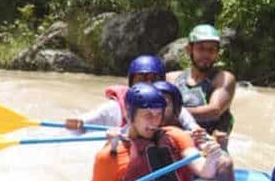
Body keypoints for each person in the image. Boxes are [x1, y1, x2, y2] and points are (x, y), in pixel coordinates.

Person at [83, 83, 251, 181]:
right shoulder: (110, 154)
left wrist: (211, 158)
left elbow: (204, 171)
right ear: (129, 115)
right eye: (147, 115)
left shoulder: (174, 135)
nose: (154, 121)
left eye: (158, 114)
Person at [66, 54, 198, 132]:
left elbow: (193, 128)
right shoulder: (115, 107)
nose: (148, 85)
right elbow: (87, 120)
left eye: (154, 80)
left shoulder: (171, 106)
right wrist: (78, 122)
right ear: (131, 83)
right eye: (141, 80)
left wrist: (199, 135)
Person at [153, 80, 236, 181]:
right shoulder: (144, 116)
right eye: (155, 103)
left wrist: (209, 145)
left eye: (165, 103)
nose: (159, 109)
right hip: (157, 179)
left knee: (225, 163)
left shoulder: (181, 114)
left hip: (180, 166)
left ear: (175, 107)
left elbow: (196, 131)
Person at [166, 24, 236, 150]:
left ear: (217, 53)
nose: (206, 54)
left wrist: (173, 112)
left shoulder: (224, 78)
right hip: (176, 145)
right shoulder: (171, 78)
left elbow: (214, 111)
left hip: (209, 147)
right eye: (200, 48)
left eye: (211, 50)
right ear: (189, 50)